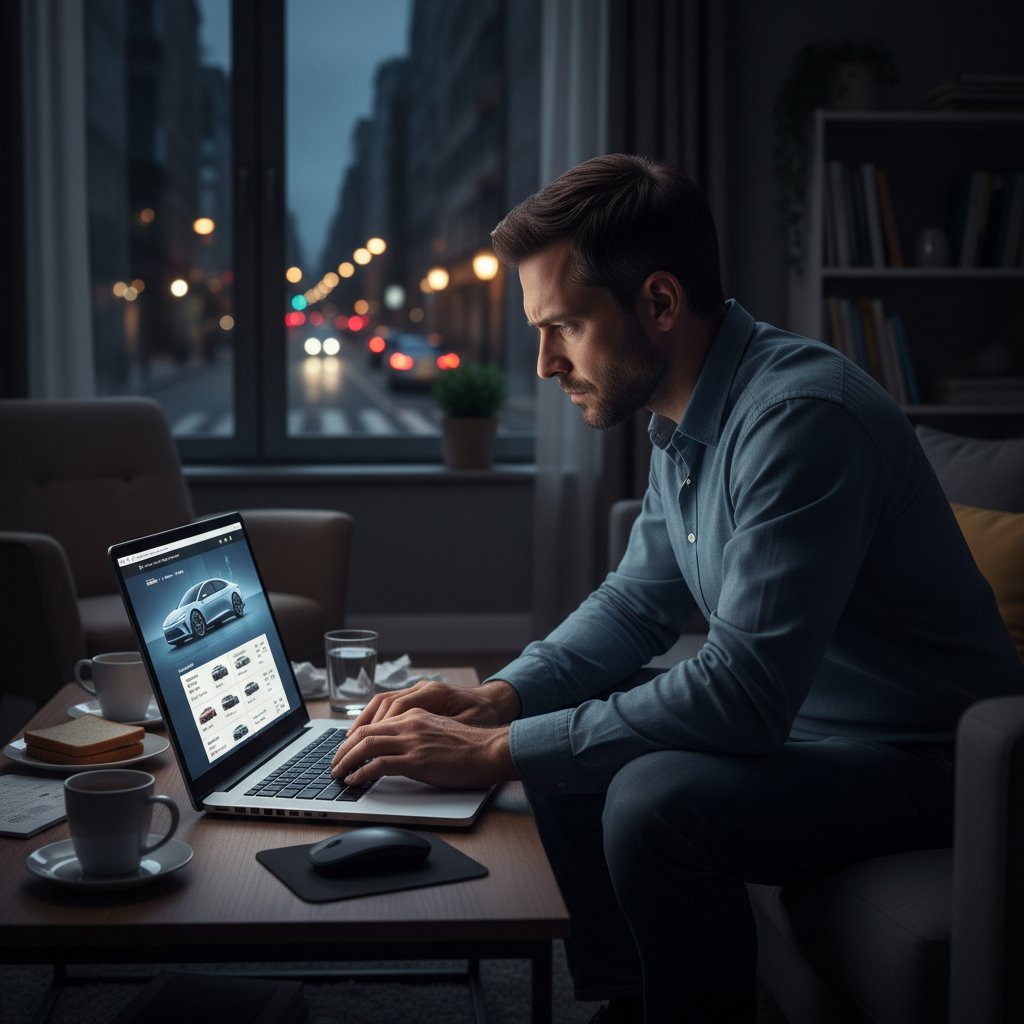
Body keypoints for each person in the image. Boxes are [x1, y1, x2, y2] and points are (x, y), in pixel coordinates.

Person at [332, 154, 1024, 1022]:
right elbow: (635, 605)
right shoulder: (690, 416)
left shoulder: (801, 419)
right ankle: (631, 1000)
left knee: (649, 800)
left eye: (564, 326)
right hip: (815, 730)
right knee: (562, 721)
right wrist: (501, 699)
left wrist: (499, 750)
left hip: (936, 762)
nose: (544, 364)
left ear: (660, 303)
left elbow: (743, 697)